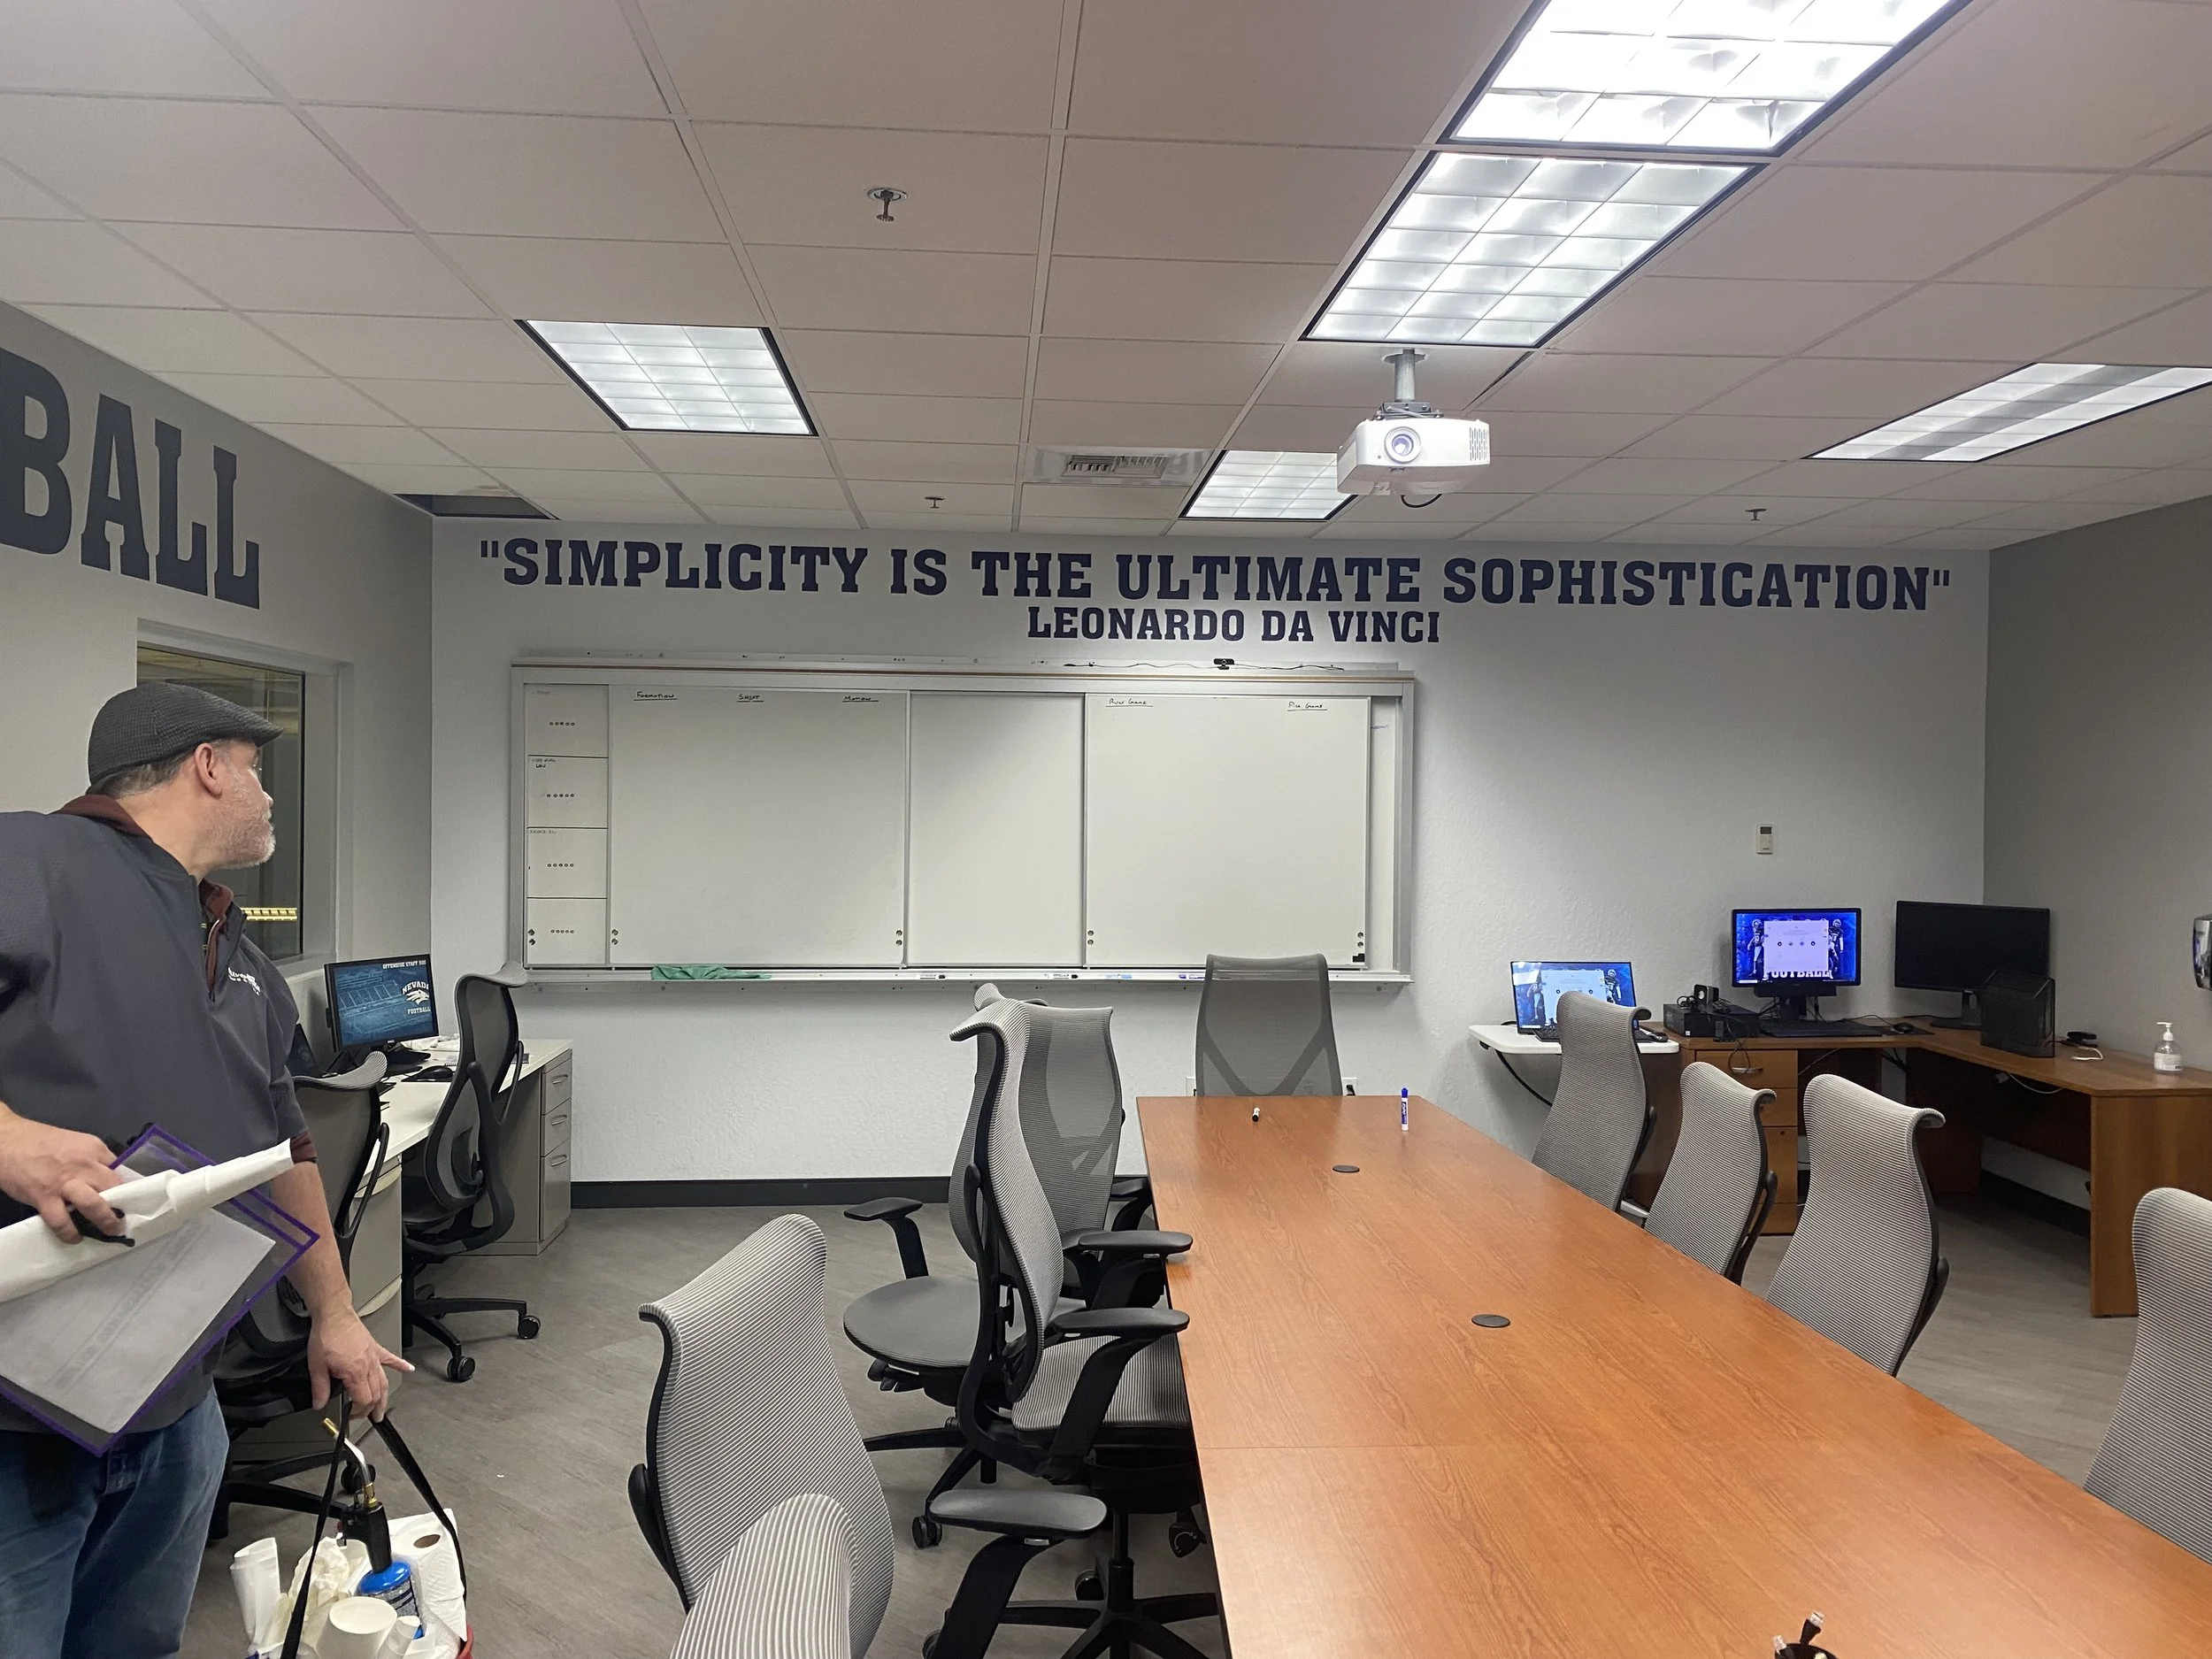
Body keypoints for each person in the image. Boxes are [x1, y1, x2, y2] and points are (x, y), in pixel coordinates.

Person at [0, 681, 411, 1659]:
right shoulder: (30, 862)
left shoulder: (240, 955)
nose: (269, 797)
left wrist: (338, 1311)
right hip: (19, 1421)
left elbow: (287, 1150)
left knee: (139, 1642)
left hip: (178, 1406)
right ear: (207, 765)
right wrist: (8, 1136)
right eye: (258, 768)